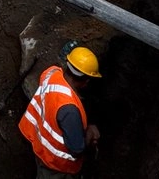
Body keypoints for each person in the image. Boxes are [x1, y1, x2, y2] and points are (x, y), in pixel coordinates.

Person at [19, 45, 101, 177]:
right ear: (85, 81)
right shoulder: (70, 109)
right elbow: (77, 149)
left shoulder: (51, 73)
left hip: (39, 144)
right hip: (55, 163)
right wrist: (90, 134)